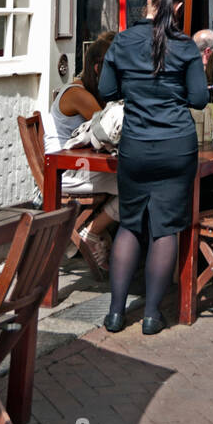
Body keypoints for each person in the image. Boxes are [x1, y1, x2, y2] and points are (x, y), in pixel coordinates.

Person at [99, 0, 208, 334]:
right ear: (179, 7)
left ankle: (115, 314)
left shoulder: (123, 40)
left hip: (136, 146)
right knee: (165, 228)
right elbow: (199, 99)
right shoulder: (186, 46)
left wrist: (135, 88)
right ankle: (150, 316)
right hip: (177, 146)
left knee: (130, 224)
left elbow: (106, 90)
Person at [45, 32, 120, 268]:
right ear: (98, 69)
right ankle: (92, 232)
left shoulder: (86, 90)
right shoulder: (78, 95)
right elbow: (107, 128)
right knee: (138, 186)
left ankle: (95, 233)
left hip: (76, 167)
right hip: (65, 173)